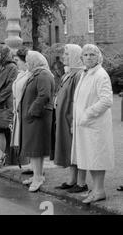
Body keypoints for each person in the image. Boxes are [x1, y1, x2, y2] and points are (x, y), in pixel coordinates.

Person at [71, 44, 114, 204]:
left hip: (95, 124)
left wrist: (88, 114)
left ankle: (99, 190)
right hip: (85, 124)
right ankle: (96, 190)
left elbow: (106, 100)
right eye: (86, 54)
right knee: (90, 157)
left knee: (96, 157)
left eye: (92, 55)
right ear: (81, 57)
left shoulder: (101, 75)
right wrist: (78, 119)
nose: (89, 57)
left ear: (99, 57)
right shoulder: (86, 73)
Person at [53, 44, 88, 193]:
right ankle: (72, 180)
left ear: (74, 56)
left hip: (71, 118)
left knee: (77, 149)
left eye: (67, 54)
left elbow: (78, 100)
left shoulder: (79, 75)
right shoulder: (69, 74)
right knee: (69, 149)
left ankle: (81, 182)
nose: (63, 57)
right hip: (64, 117)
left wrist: (74, 119)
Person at [20, 50, 55, 192]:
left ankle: (38, 178)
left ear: (35, 62)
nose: (27, 63)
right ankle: (36, 175)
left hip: (38, 117)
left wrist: (31, 111)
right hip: (33, 117)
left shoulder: (43, 74)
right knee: (33, 149)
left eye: (29, 61)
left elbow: (44, 95)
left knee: (36, 149)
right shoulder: (36, 73)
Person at [9, 48, 31, 168]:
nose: (16, 62)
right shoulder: (21, 73)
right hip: (17, 109)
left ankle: (32, 166)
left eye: (17, 60)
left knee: (26, 139)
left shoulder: (29, 74)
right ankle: (29, 165)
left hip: (24, 110)